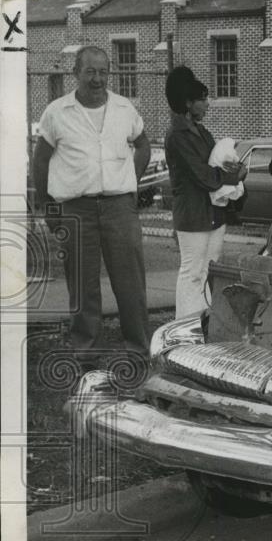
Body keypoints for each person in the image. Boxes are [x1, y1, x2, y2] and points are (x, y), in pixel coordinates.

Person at [32, 45, 152, 355]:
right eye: (90, 72)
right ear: (76, 73)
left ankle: (138, 351)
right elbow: (40, 161)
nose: (97, 79)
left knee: (131, 285)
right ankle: (88, 356)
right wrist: (49, 207)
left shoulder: (125, 108)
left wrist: (129, 184)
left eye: (103, 72)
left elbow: (143, 146)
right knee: (83, 287)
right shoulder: (56, 112)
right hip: (76, 210)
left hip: (120, 209)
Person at [164, 66, 247, 319]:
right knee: (192, 272)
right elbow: (204, 176)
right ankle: (185, 327)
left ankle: (204, 324)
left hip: (213, 212)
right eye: (202, 99)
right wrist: (235, 176)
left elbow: (216, 166)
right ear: (188, 103)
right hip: (192, 215)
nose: (208, 104)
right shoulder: (177, 136)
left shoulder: (202, 132)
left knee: (209, 272)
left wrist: (234, 166)